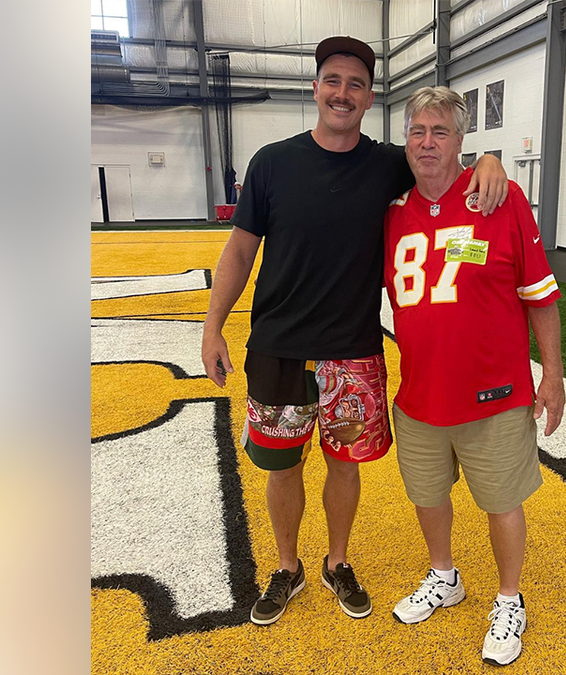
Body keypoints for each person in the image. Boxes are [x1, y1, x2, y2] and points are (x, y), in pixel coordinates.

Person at [200, 36, 509, 626]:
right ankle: (287, 568)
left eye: (356, 84)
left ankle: (336, 562)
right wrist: (213, 326)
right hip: (278, 349)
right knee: (281, 466)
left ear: (369, 97)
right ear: (315, 88)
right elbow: (240, 252)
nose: (343, 93)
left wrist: (487, 160)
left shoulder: (388, 163)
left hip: (352, 353)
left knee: (346, 464)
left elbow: (441, 161)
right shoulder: (271, 163)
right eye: (333, 81)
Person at [382, 86, 564, 666]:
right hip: (420, 396)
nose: (427, 142)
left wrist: (553, 376)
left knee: (503, 501)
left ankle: (509, 598)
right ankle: (445, 576)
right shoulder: (390, 212)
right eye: (418, 131)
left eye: (440, 131)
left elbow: (541, 297)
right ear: (404, 140)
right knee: (428, 497)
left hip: (495, 395)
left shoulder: (500, 199)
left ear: (462, 140)